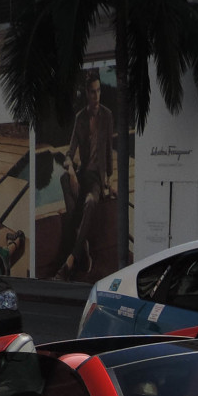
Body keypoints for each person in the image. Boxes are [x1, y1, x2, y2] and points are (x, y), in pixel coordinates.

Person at [55, 70, 114, 280]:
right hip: (81, 175)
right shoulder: (80, 118)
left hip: (97, 179)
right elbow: (69, 152)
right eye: (92, 92)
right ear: (86, 94)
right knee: (63, 179)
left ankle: (71, 258)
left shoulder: (107, 116)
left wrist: (109, 180)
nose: (96, 95)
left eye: (98, 91)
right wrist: (70, 169)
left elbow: (109, 151)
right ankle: (83, 244)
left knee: (89, 201)